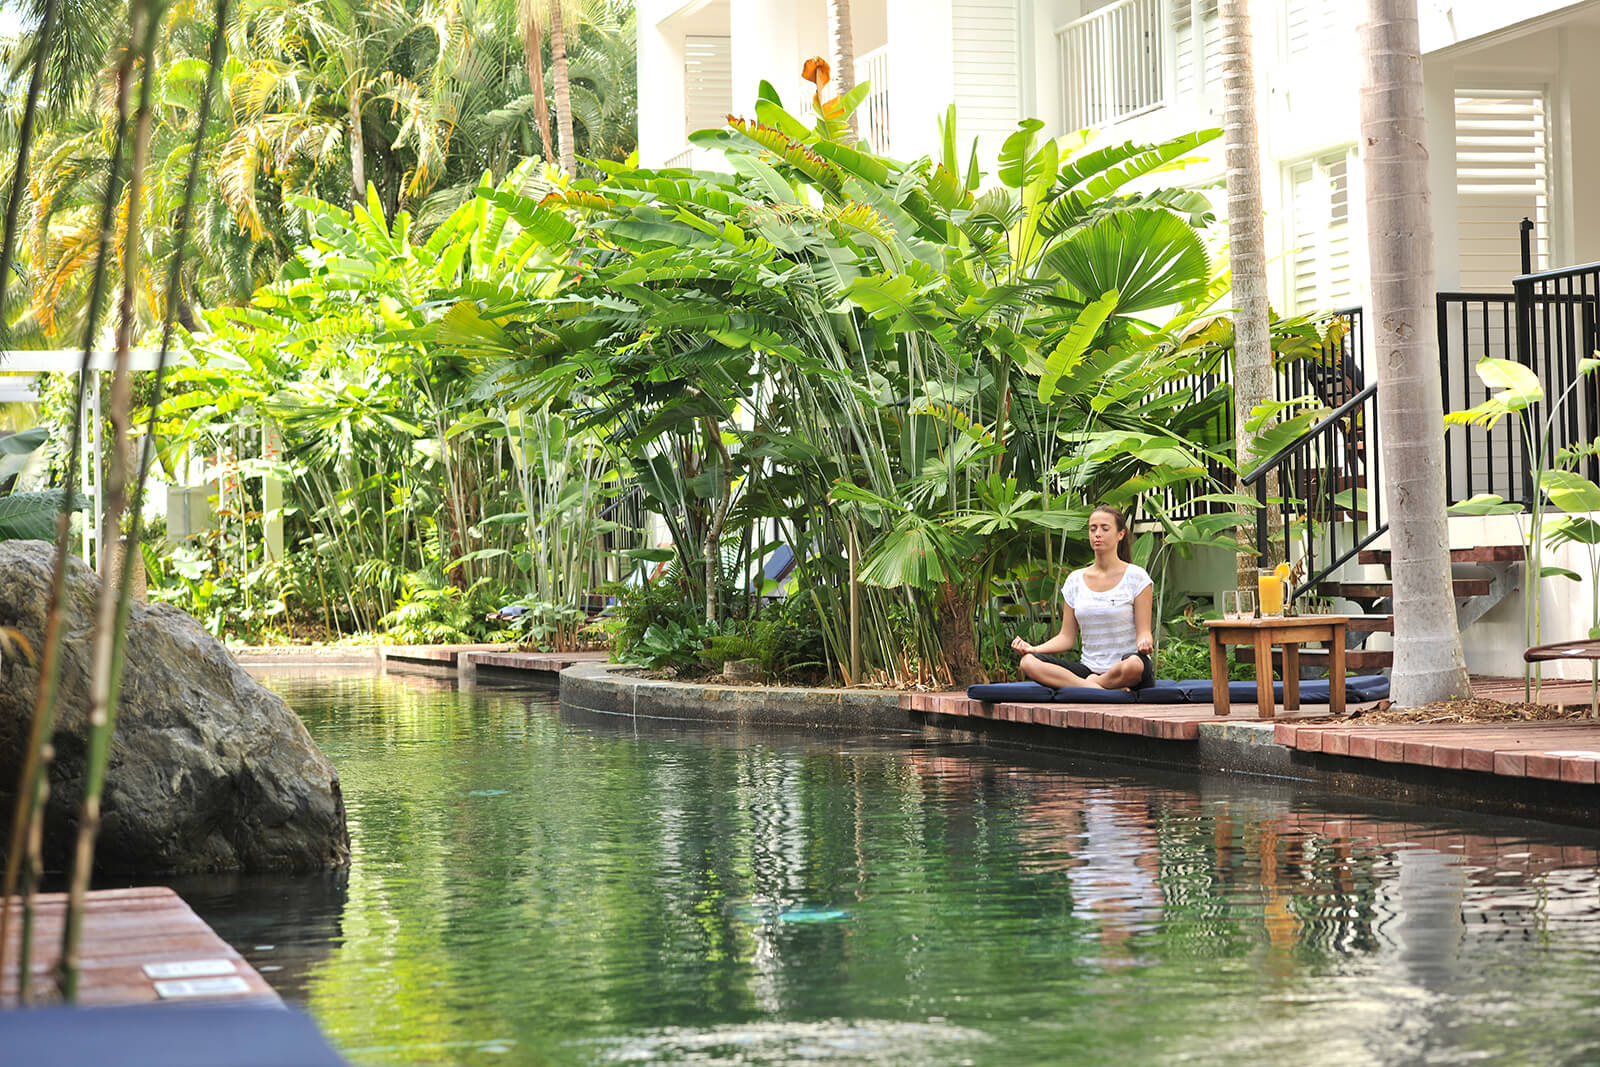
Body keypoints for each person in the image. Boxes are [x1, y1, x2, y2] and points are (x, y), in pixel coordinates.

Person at [1010, 504, 1154, 690]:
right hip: (1089, 670)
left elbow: (1144, 633)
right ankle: (1096, 688)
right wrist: (1033, 649)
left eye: (1105, 528)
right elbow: (1066, 637)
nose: (1097, 534)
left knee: (1134, 665)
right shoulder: (1075, 580)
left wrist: (1145, 643)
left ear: (1121, 534)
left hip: (1126, 668)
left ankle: (1092, 686)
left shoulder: (1136, 577)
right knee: (1028, 662)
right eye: (1092, 529)